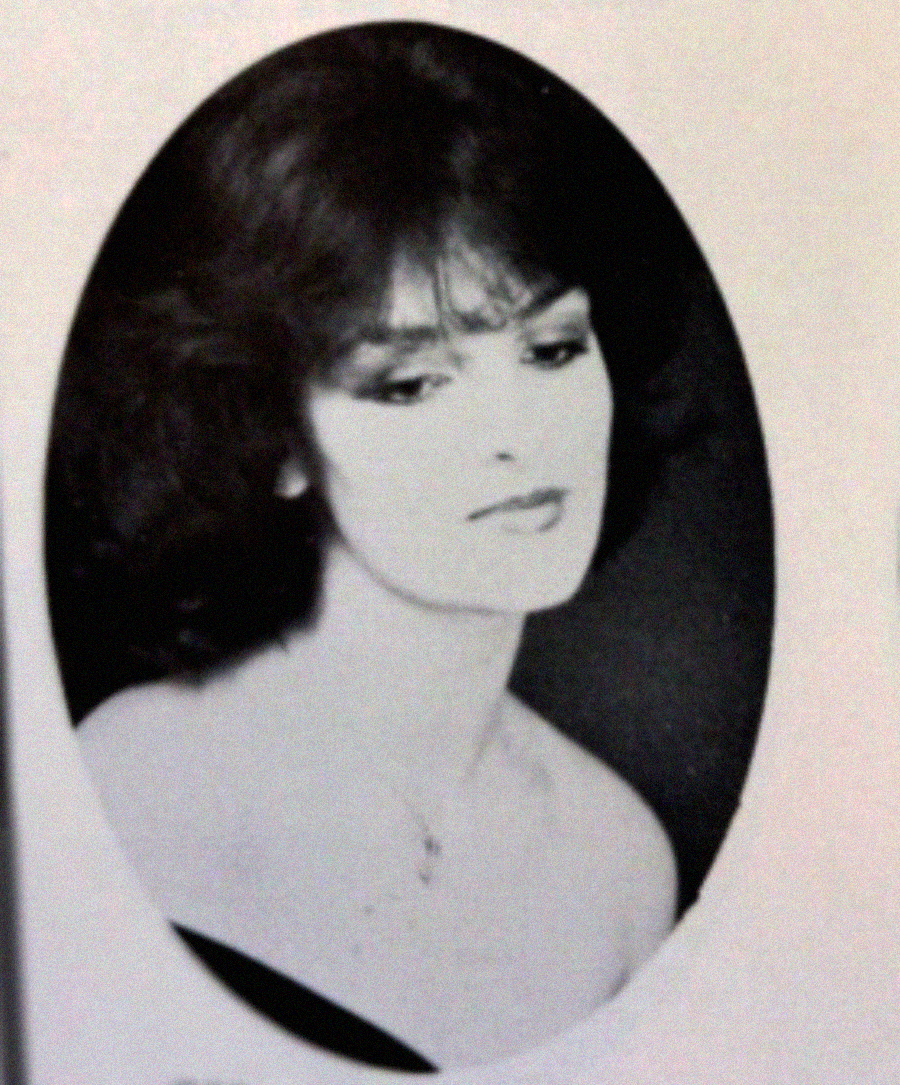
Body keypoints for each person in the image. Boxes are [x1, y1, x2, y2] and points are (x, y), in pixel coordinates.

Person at [44, 22, 694, 1072]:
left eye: (552, 348)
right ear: (276, 436)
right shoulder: (130, 793)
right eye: (410, 381)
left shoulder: (620, 862)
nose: (516, 432)